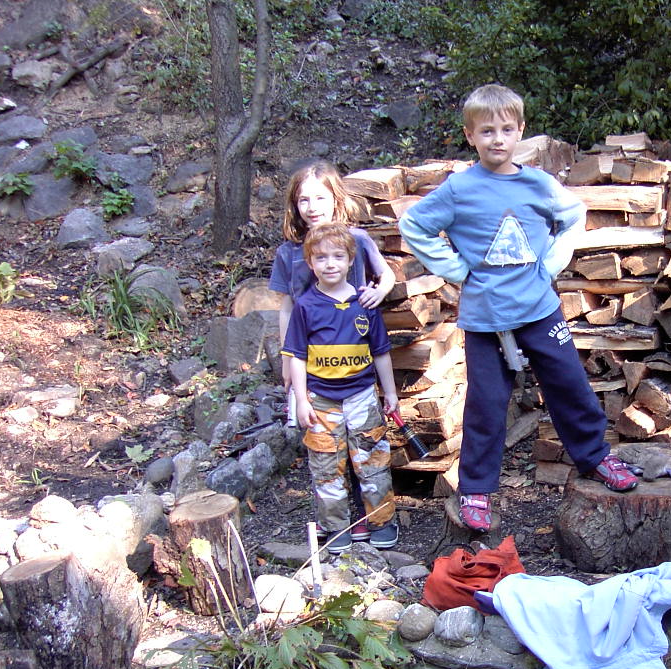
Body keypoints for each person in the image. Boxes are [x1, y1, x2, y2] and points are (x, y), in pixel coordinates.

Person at [399, 83, 637, 532]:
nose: (497, 139)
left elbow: (573, 216)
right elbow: (414, 225)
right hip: (485, 316)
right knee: (487, 403)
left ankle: (595, 457)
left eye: (506, 130)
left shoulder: (538, 184)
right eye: (487, 131)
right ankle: (476, 487)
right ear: (470, 135)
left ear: (521, 131)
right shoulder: (460, 189)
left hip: (539, 308)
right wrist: (456, 269)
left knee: (569, 384)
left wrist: (550, 264)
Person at [282, 224, 399, 554]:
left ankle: (382, 521)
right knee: (325, 466)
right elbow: (297, 356)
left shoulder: (366, 303)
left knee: (372, 460)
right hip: (321, 400)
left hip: (361, 396)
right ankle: (335, 526)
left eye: (337, 256)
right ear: (310, 263)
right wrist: (301, 399)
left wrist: (390, 393)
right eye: (321, 258)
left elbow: (381, 352)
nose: (330, 264)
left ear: (350, 260)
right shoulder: (305, 306)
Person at [269, 161, 397, 400]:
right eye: (304, 200)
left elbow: (387, 275)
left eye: (320, 198)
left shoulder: (357, 240)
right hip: (310, 354)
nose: (312, 207)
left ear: (336, 200)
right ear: (295, 205)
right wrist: (287, 358)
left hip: (353, 352)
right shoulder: (288, 252)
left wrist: (379, 293)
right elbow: (286, 309)